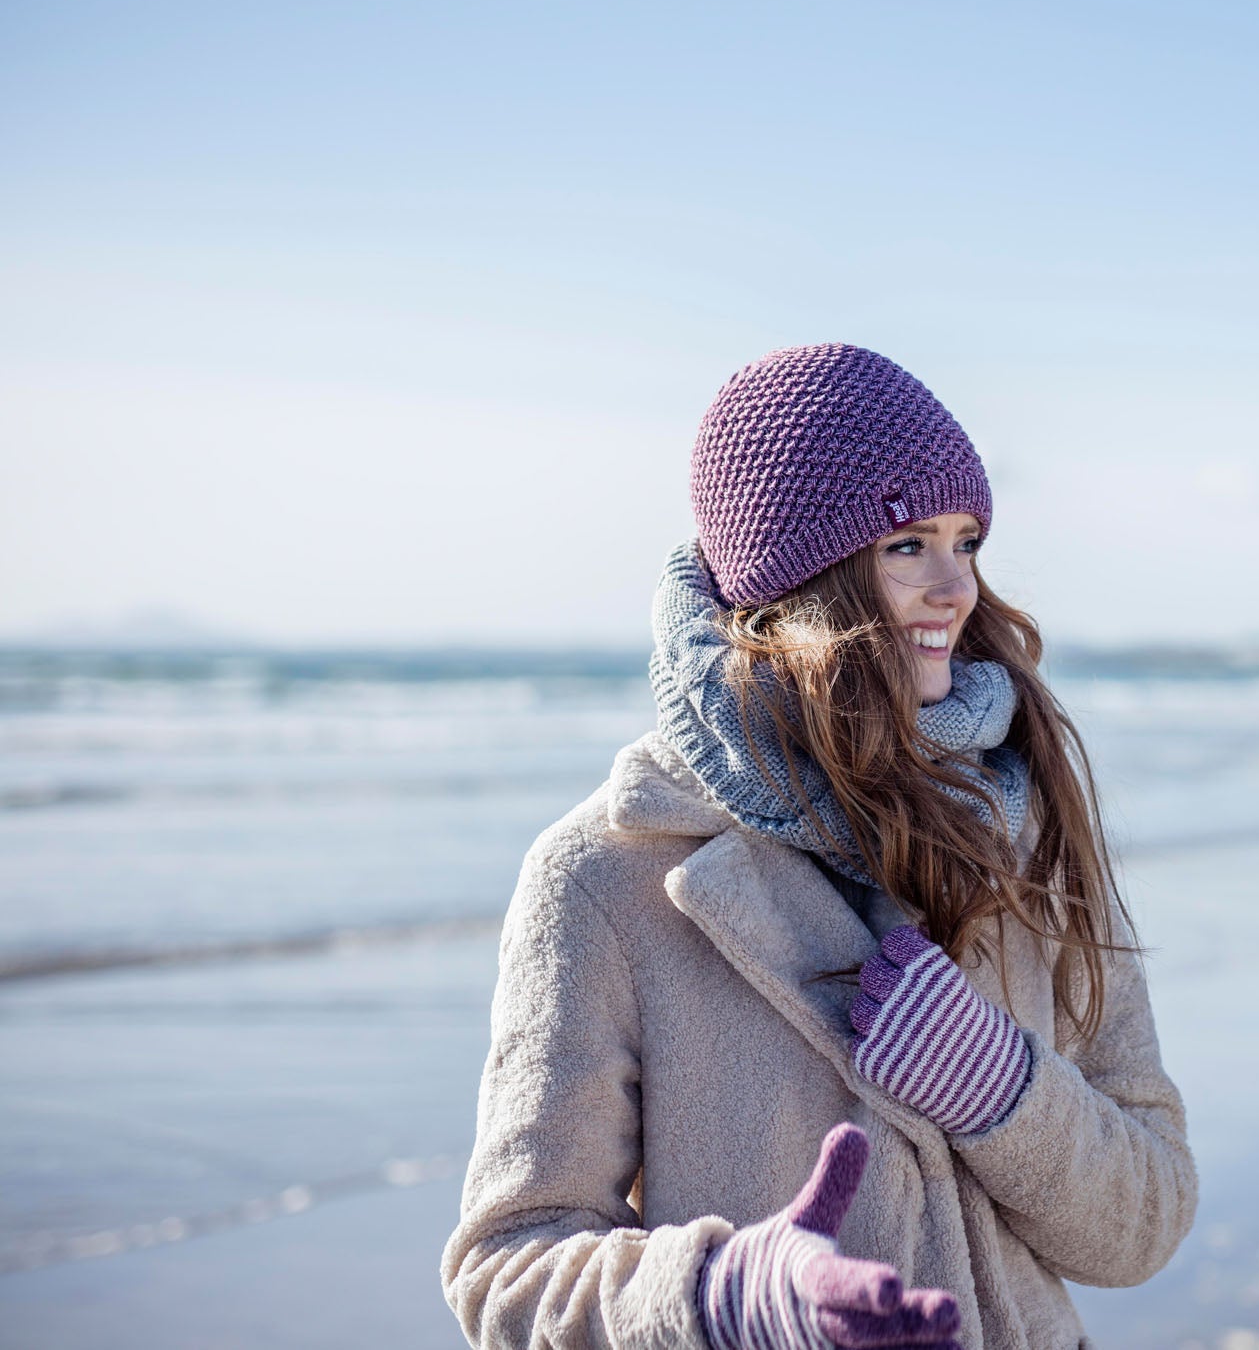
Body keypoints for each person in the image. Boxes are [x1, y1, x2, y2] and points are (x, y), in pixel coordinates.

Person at [441, 342, 1198, 1350]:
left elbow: (1143, 1228)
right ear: (800, 580)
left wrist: (1003, 1094)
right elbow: (509, 1268)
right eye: (904, 546)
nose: (954, 589)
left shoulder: (1022, 819)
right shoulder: (604, 877)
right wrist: (729, 1295)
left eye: (965, 541)